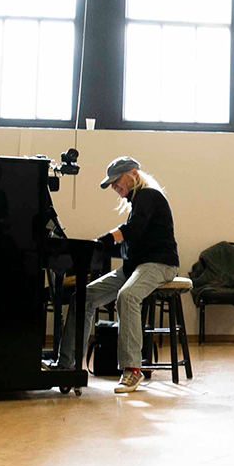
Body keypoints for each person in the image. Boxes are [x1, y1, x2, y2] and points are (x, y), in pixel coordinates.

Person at [57, 156, 180, 394]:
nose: (114, 186)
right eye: (111, 183)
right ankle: (68, 367)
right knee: (83, 297)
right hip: (136, 266)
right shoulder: (137, 203)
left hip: (160, 264)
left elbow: (133, 230)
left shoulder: (149, 195)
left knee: (128, 295)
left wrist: (104, 239)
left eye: (116, 181)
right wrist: (97, 245)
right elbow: (130, 240)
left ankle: (132, 370)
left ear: (133, 174)